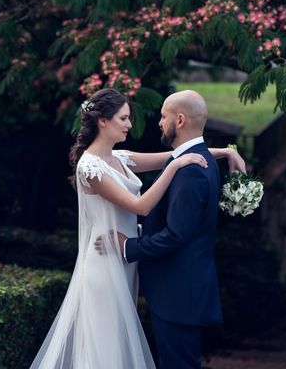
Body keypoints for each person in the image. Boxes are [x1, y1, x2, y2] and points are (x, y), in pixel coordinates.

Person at [30, 88, 244, 368]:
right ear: (103, 121)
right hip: (105, 258)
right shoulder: (89, 168)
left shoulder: (120, 158)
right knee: (105, 345)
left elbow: (173, 155)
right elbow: (141, 206)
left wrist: (226, 152)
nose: (130, 125)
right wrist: (174, 167)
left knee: (119, 342)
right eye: (124, 118)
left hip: (125, 259)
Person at [108, 90, 229, 369]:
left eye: (164, 116)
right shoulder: (196, 159)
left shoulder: (192, 169)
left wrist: (129, 246)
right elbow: (176, 221)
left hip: (179, 295)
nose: (160, 123)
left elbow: (177, 233)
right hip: (181, 292)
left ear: (180, 119)